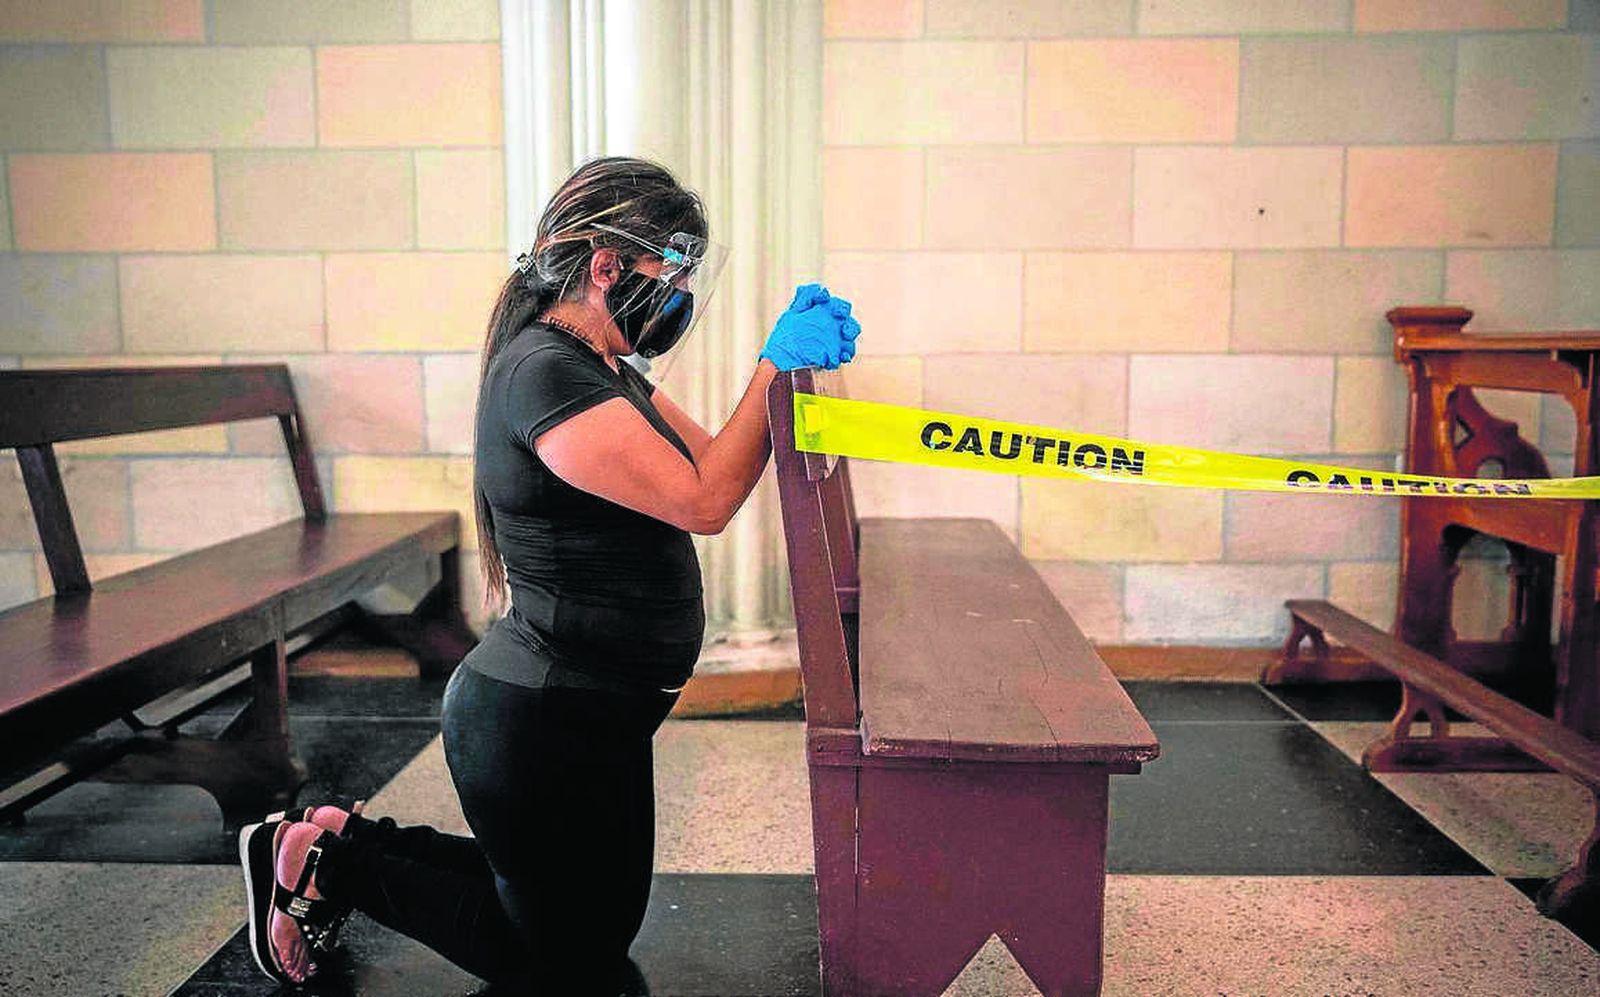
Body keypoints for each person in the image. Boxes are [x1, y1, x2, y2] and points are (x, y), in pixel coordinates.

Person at [238, 155, 861, 995]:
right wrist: (770, 363)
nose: (678, 296)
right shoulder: (543, 373)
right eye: (669, 273)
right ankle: (326, 869)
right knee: (561, 956)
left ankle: (336, 839)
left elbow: (714, 458)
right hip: (538, 718)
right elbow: (706, 500)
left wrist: (787, 375)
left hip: (592, 716)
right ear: (607, 267)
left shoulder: (605, 370)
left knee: (588, 925)